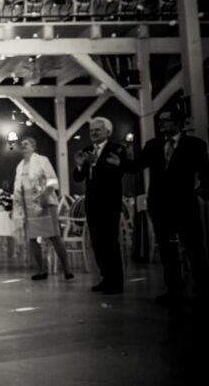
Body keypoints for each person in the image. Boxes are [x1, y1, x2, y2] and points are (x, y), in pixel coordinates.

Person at [127, 107, 209, 306]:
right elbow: (137, 165)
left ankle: (204, 290)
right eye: (160, 120)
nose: (161, 124)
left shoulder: (195, 145)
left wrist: (202, 190)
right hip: (161, 206)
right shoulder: (153, 145)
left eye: (166, 120)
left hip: (185, 204)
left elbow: (205, 171)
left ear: (177, 122)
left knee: (194, 248)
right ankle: (174, 290)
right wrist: (121, 160)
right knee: (167, 250)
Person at [72, 117, 131, 295]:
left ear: (108, 132)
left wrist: (95, 163)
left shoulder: (117, 149)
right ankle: (105, 278)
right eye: (91, 130)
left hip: (110, 202)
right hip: (92, 203)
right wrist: (80, 164)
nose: (93, 133)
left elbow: (118, 172)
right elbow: (78, 178)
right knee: (97, 243)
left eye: (97, 130)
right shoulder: (87, 150)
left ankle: (117, 281)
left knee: (110, 242)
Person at [12, 137, 73, 281]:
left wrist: (45, 196)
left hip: (44, 203)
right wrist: (17, 206)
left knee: (54, 236)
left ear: (33, 147)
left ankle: (67, 269)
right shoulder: (20, 166)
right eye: (22, 145)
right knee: (32, 239)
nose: (23, 146)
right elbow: (18, 187)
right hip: (28, 206)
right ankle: (41, 270)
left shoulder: (42, 160)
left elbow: (52, 179)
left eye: (26, 144)